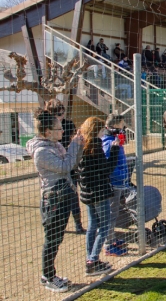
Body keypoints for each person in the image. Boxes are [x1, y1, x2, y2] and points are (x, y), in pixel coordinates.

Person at [26, 109, 84, 292]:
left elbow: (71, 163)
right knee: (51, 239)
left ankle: (50, 274)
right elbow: (65, 166)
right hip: (53, 201)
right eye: (59, 129)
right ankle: (48, 276)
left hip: (63, 196)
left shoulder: (55, 145)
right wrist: (74, 145)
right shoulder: (42, 152)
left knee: (57, 238)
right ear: (47, 132)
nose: (63, 132)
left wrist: (78, 146)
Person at [78, 117, 119, 276]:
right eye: (102, 129)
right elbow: (107, 169)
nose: (104, 132)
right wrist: (114, 149)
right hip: (99, 192)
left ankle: (90, 258)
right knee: (104, 225)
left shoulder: (81, 145)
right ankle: (93, 260)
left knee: (93, 225)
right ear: (97, 130)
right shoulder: (95, 146)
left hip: (87, 192)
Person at [44, 99, 85, 234]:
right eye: (58, 114)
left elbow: (74, 140)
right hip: (54, 166)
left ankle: (78, 224)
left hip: (70, 163)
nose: (61, 116)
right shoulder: (47, 127)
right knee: (51, 196)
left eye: (62, 113)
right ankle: (49, 222)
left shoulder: (68, 124)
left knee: (73, 194)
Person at [101, 114, 129, 256]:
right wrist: (119, 175)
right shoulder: (108, 142)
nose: (123, 128)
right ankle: (108, 244)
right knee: (111, 214)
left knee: (115, 212)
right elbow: (108, 164)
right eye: (122, 125)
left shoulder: (114, 140)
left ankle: (111, 238)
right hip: (113, 183)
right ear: (115, 126)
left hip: (119, 181)